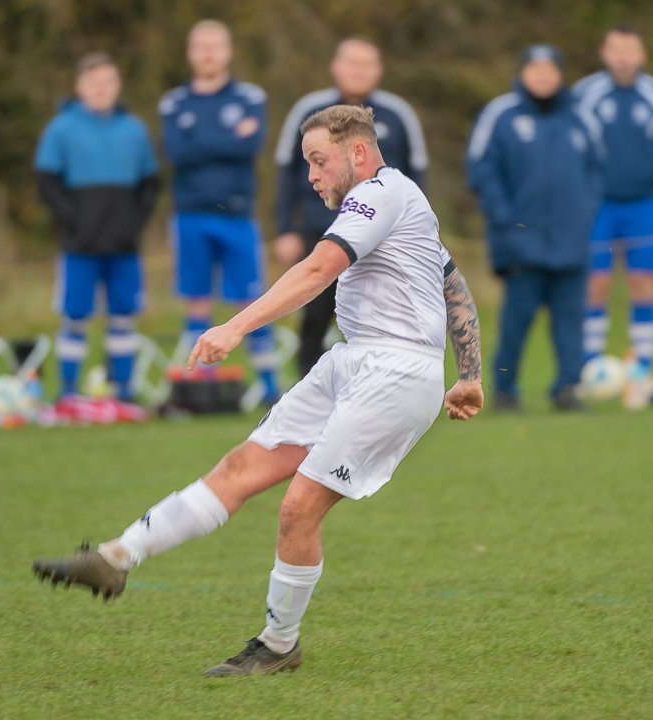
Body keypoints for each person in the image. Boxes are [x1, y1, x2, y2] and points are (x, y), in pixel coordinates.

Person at [34, 105, 484, 677]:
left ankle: (278, 646)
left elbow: (319, 269)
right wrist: (469, 373)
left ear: (360, 154)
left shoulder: (380, 193)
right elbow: (453, 281)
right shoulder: (394, 204)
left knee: (298, 507)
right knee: (239, 469)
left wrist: (235, 326)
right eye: (308, 164)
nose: (313, 176)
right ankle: (116, 556)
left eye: (319, 162)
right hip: (352, 361)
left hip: (395, 375)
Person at [273, 38, 428, 377]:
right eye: (351, 62)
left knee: (376, 314)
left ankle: (375, 383)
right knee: (314, 310)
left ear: (379, 70)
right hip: (323, 229)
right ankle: (306, 383)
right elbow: (286, 170)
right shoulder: (310, 111)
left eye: (366, 63)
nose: (358, 71)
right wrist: (286, 228)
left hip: (382, 237)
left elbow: (416, 175)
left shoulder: (398, 114)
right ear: (336, 66)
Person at [466, 45, 604, 411]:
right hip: (521, 243)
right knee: (516, 321)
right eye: (535, 68)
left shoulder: (581, 118)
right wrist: (505, 217)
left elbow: (598, 172)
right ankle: (506, 390)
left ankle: (568, 389)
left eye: (550, 69)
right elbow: (481, 169)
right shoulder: (501, 114)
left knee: (570, 323)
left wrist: (585, 211)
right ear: (523, 73)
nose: (543, 76)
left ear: (560, 75)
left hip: (571, 242)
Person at [573, 24, 653, 404]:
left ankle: (641, 369)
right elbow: (570, 149)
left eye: (630, 50)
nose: (623, 57)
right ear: (604, 53)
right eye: (616, 50)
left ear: (641, 55)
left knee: (643, 282)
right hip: (597, 206)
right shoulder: (585, 94)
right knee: (596, 283)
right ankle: (591, 368)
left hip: (644, 205)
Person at [159, 19, 278, 403]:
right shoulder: (174, 102)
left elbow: (249, 147)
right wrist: (226, 140)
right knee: (197, 298)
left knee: (250, 299)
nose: (208, 53)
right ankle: (199, 389)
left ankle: (270, 388)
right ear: (190, 54)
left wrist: (202, 143)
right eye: (201, 46)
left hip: (237, 214)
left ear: (228, 52)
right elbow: (177, 153)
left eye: (215, 46)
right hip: (190, 213)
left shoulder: (250, 97)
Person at [34, 52, 159, 406]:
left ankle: (124, 392)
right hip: (79, 244)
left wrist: (133, 224)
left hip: (123, 245)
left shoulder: (134, 129)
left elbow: (149, 185)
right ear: (80, 87)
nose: (101, 89)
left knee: (123, 318)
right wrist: (74, 220)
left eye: (108, 82)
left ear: (117, 87)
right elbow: (47, 182)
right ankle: (68, 394)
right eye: (94, 83)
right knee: (74, 317)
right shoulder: (61, 128)